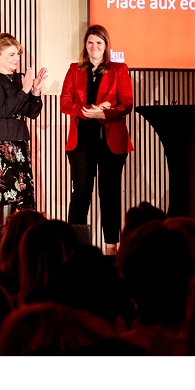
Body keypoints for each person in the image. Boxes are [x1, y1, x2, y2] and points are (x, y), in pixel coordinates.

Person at [59, 25, 134, 255]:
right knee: (81, 193)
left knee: (109, 194)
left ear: (106, 46)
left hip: (110, 141)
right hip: (81, 142)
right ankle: (75, 249)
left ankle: (112, 248)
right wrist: (86, 111)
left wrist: (104, 113)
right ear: (85, 45)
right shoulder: (74, 69)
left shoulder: (119, 69)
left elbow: (127, 103)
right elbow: (65, 103)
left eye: (99, 43)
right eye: (90, 42)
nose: (94, 47)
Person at [0, 33, 47, 225]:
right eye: (11, 54)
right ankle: (0, 239)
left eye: (17, 54)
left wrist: (35, 91)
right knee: (5, 196)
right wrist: (24, 90)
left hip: (18, 140)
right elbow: (4, 110)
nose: (16, 58)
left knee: (23, 196)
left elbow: (32, 112)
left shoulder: (19, 79)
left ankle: (22, 238)